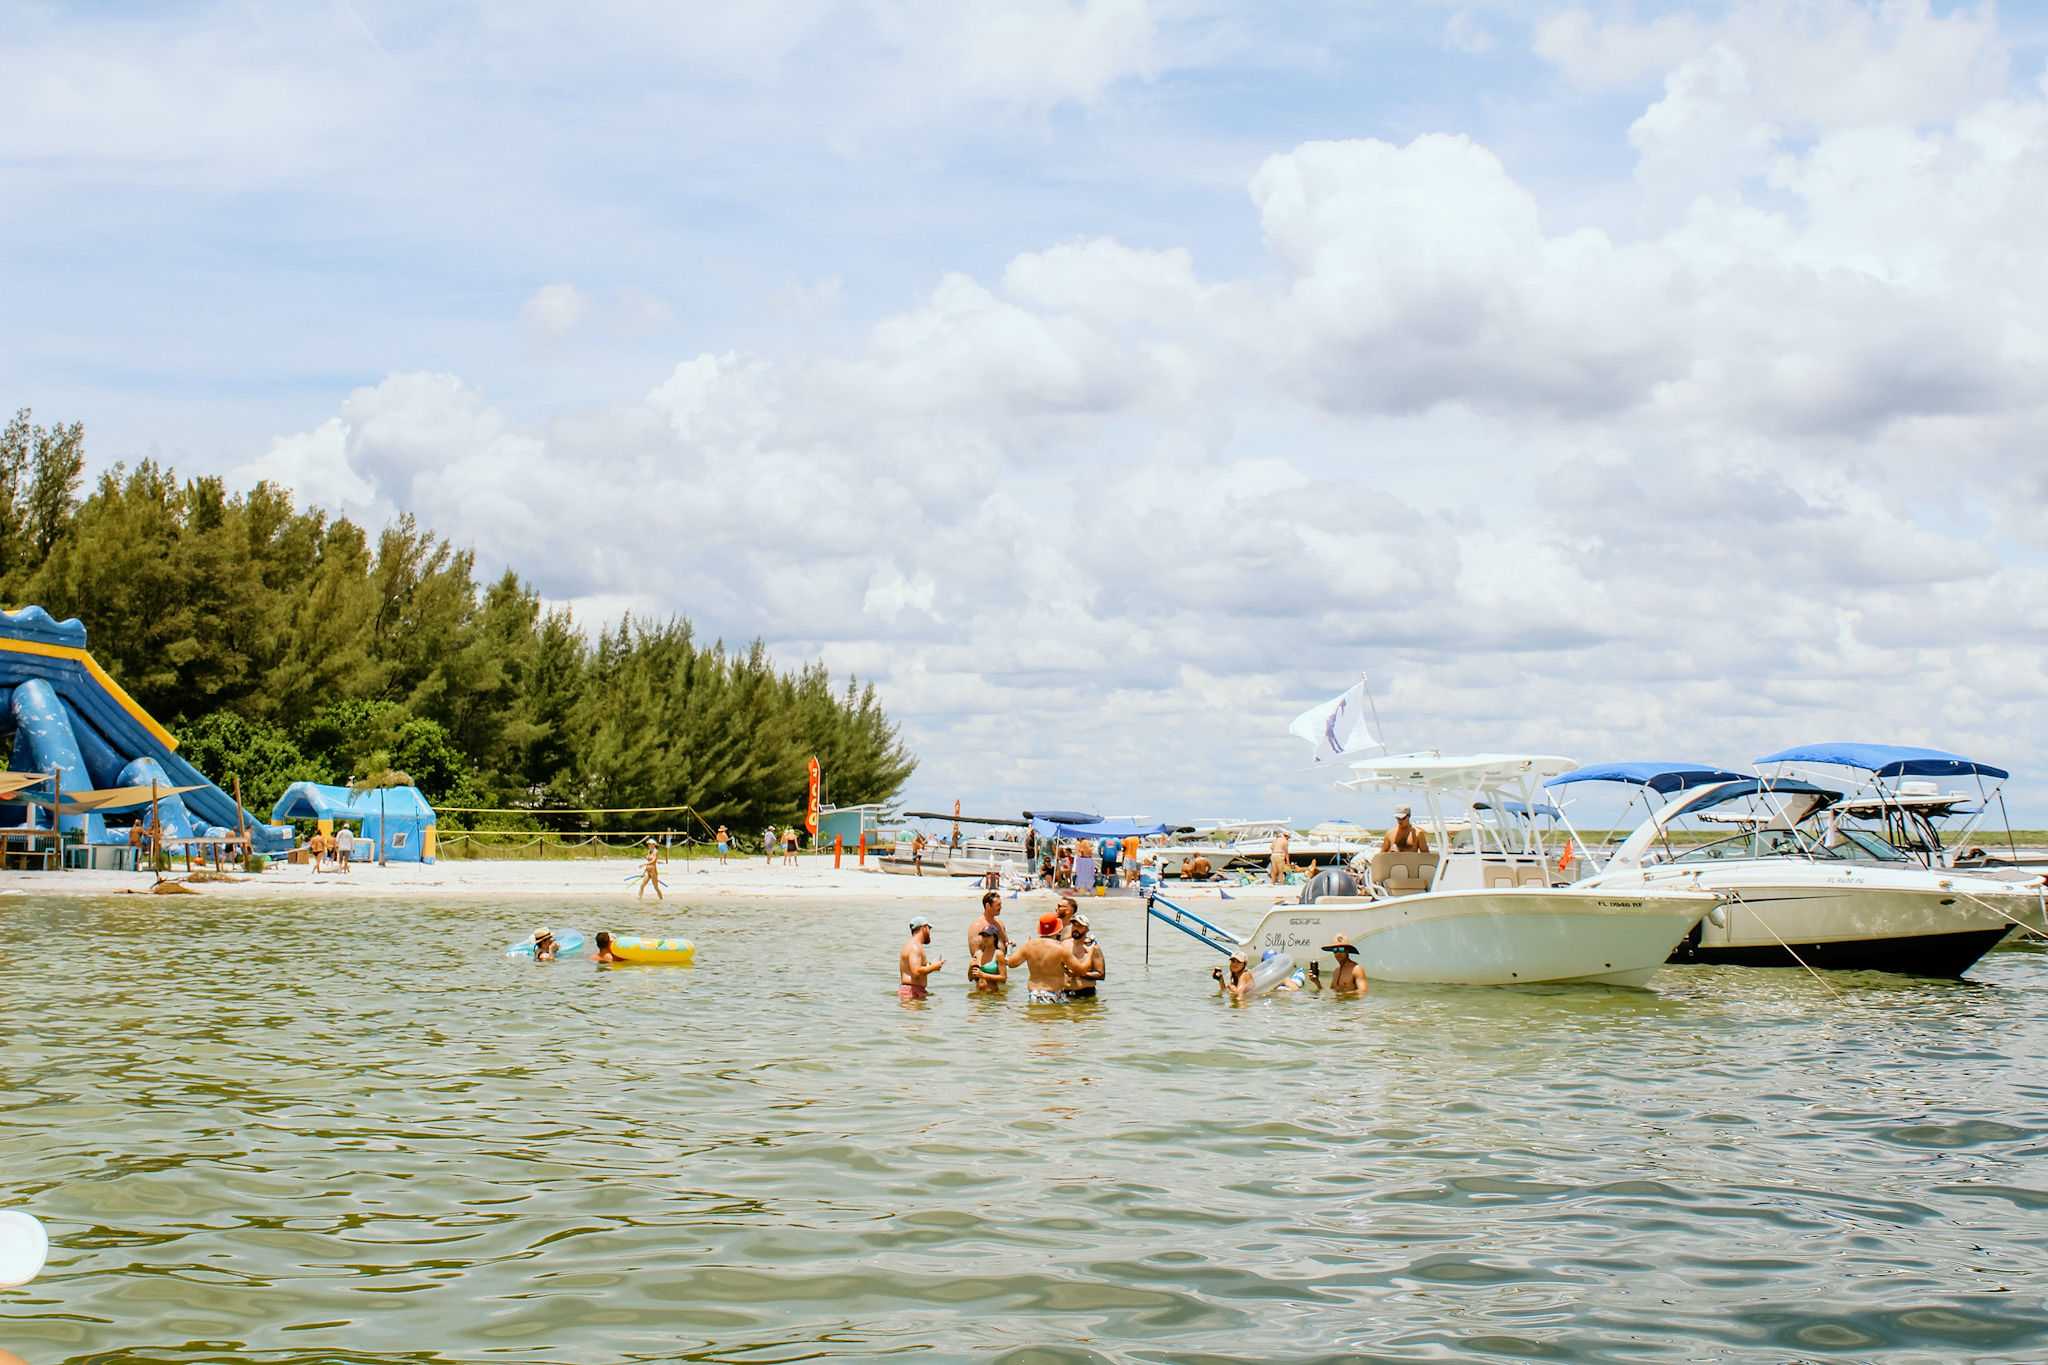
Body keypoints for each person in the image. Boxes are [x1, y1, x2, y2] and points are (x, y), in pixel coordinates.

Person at [1005, 911, 1090, 1004]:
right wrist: (1091, 952)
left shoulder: (1029, 945)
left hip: (1034, 995)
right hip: (1053, 994)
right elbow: (1081, 971)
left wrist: (1010, 950)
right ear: (1059, 929)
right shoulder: (1060, 949)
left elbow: (1011, 964)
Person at [899, 916, 945, 1000]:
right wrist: (934, 967)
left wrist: (931, 965)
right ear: (924, 928)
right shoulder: (915, 947)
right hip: (912, 993)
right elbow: (916, 971)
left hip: (912, 992)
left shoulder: (912, 945)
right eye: (929, 928)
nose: (930, 931)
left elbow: (915, 970)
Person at [1066, 911, 1105, 998]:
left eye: (1080, 926)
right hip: (1066, 993)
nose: (1076, 928)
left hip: (1085, 994)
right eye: (1074, 925)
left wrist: (1079, 974)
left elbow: (1101, 975)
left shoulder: (1093, 948)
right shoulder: (1065, 944)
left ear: (1087, 929)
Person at [968, 889, 1009, 970]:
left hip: (1001, 971)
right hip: (985, 972)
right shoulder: (977, 926)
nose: (1001, 907)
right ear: (988, 906)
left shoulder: (1000, 924)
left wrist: (1009, 944)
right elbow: (975, 954)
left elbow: (1005, 942)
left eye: (1000, 905)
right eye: (998, 905)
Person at [969, 927, 1008, 992]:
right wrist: (970, 967)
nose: (985, 938)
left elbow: (1003, 978)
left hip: (993, 995)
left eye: (988, 936)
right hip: (979, 994)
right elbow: (970, 978)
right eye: (983, 936)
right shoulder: (978, 953)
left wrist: (983, 975)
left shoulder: (998, 954)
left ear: (995, 937)